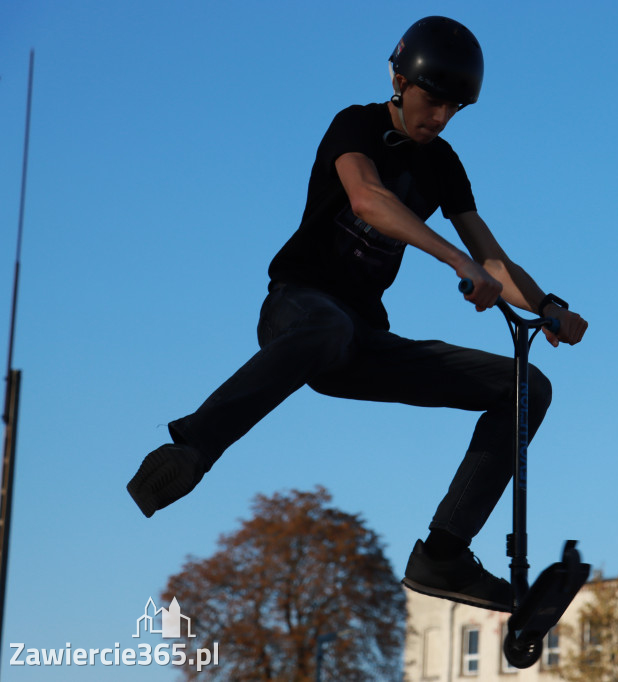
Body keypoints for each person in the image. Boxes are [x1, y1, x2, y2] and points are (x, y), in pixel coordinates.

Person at [126, 15, 587, 613]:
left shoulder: (443, 164)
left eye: (454, 109)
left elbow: (492, 260)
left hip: (363, 341)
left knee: (525, 388)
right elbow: (369, 200)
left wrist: (548, 306)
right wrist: (455, 262)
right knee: (329, 324)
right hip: (297, 310)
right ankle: (192, 449)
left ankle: (444, 554)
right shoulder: (357, 124)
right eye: (433, 102)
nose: (441, 119)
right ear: (400, 80)